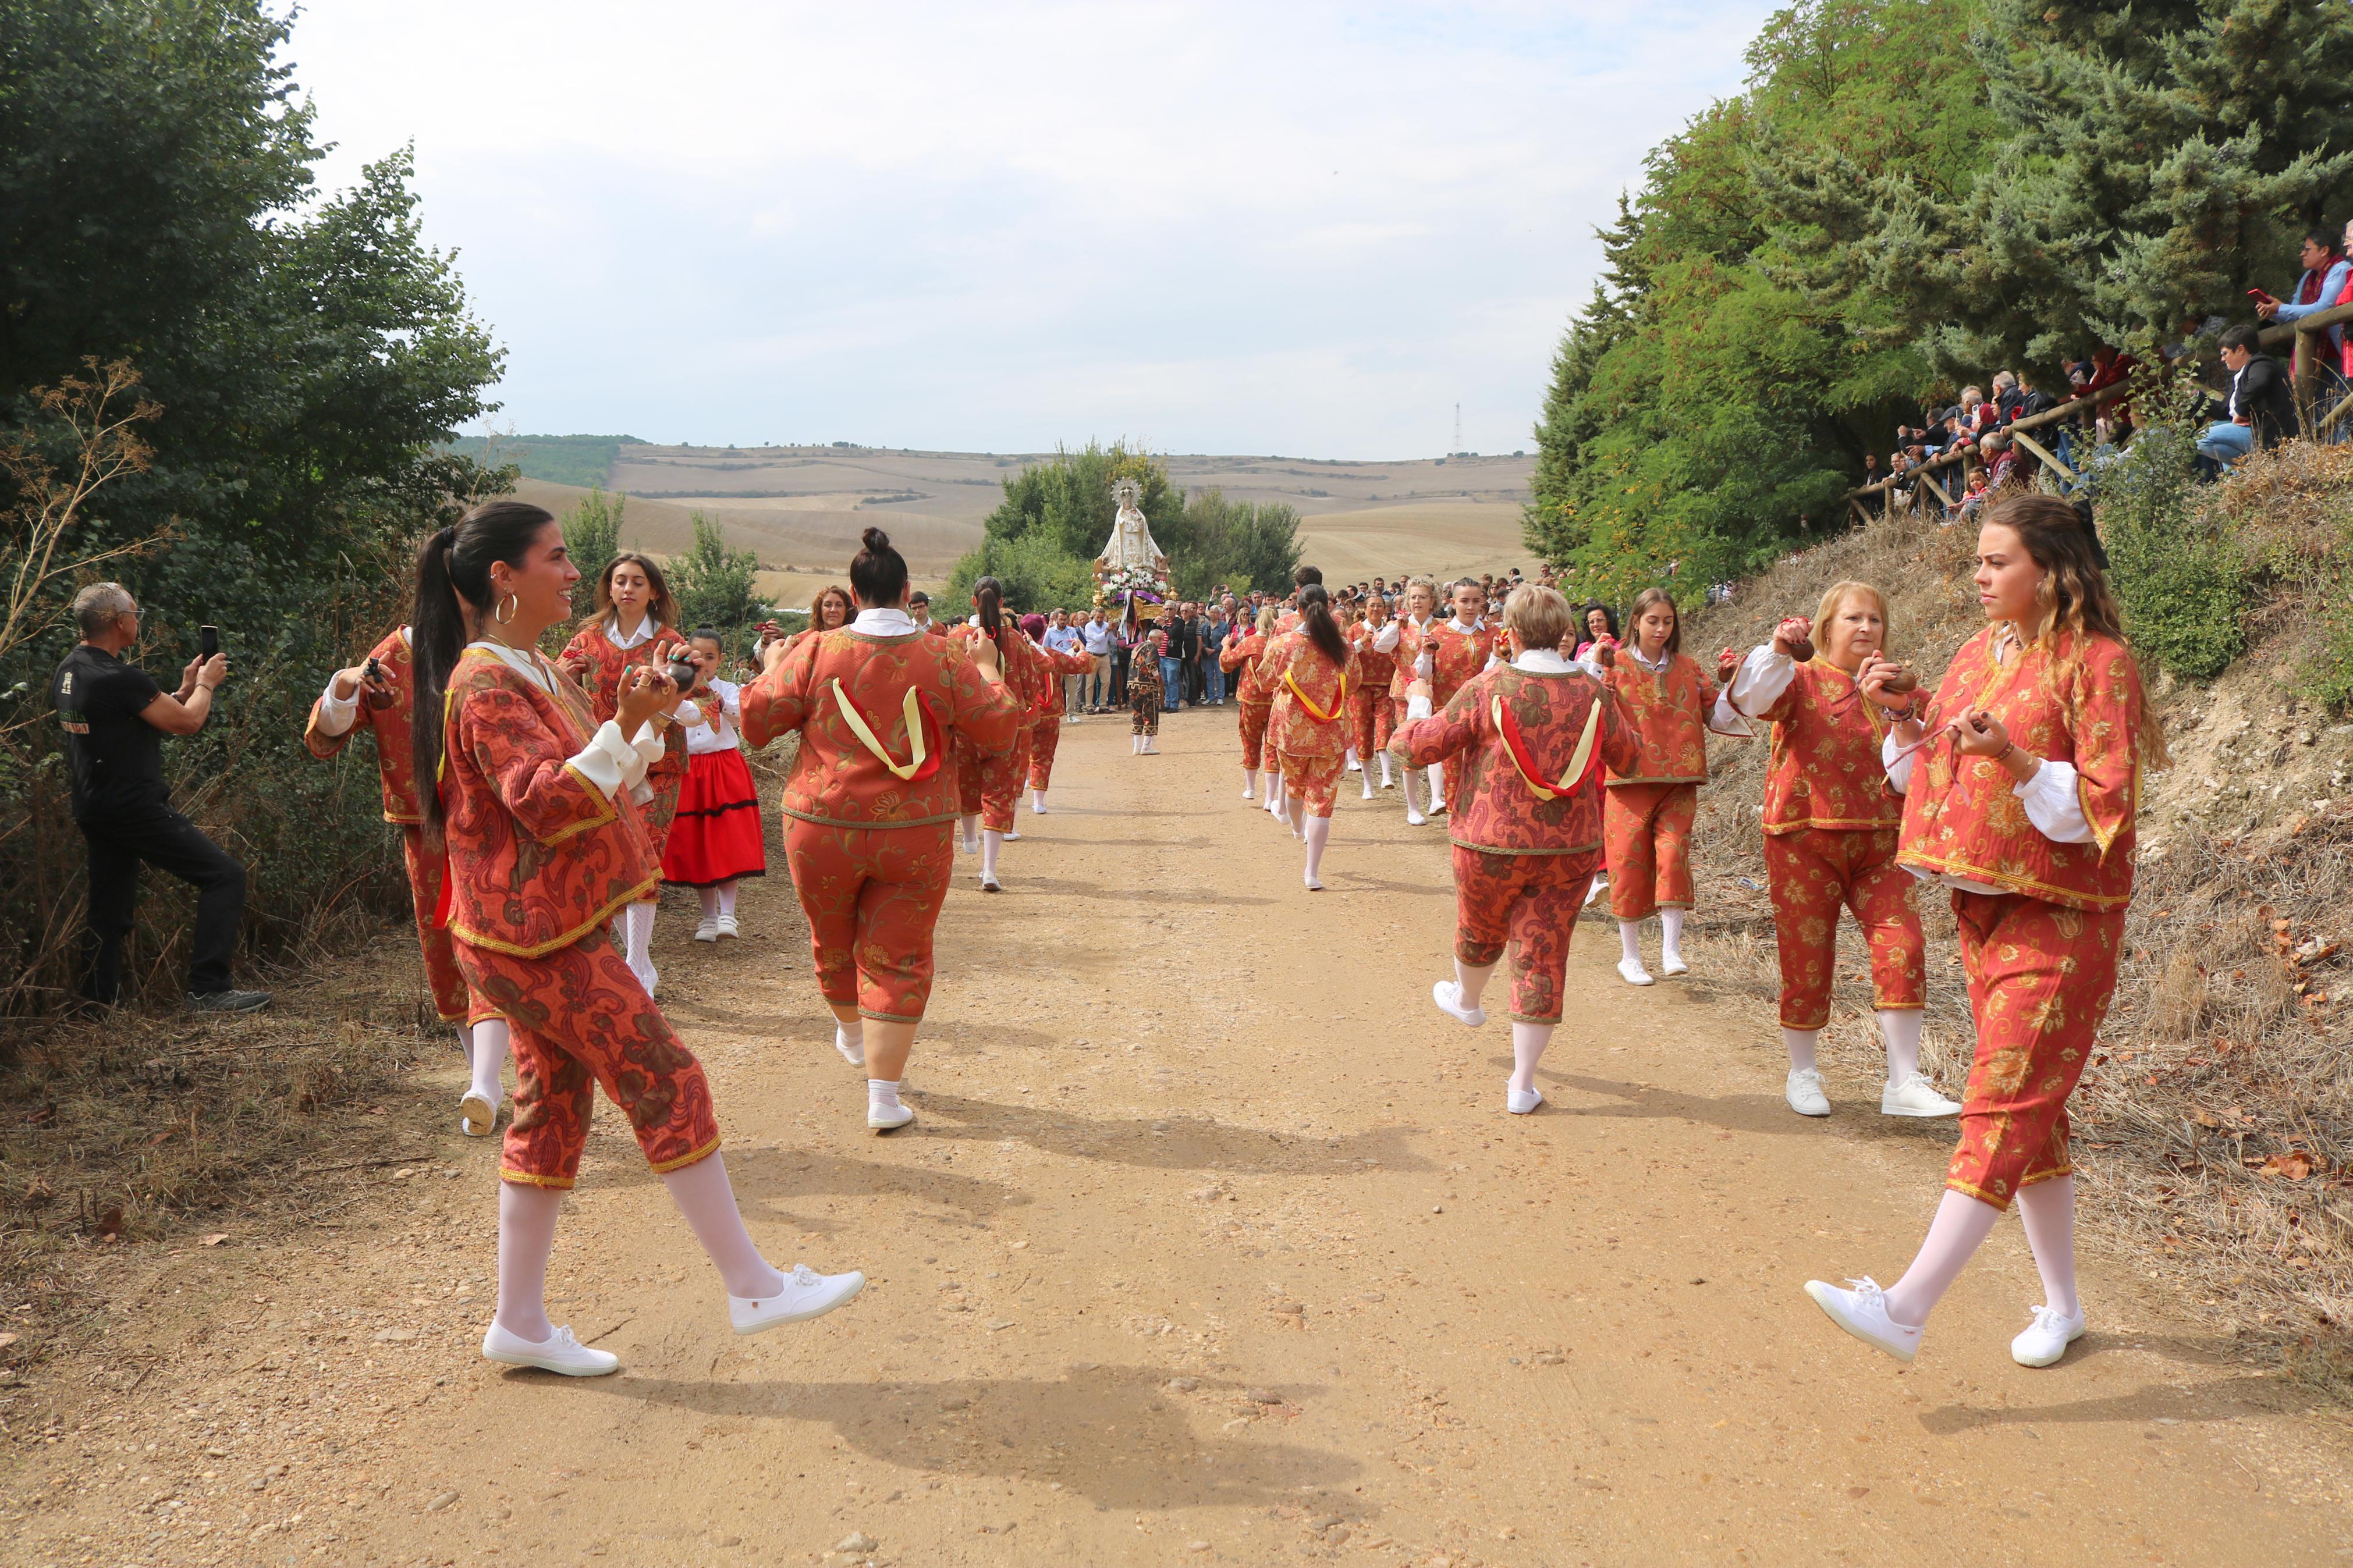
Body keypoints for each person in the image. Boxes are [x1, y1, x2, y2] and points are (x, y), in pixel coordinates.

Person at [411, 500, 864, 1377]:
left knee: (552, 1106)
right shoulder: (487, 683)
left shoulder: (529, 665)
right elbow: (542, 800)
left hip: (534, 925)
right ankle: (751, 1283)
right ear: (503, 577)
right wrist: (626, 727)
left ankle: (521, 1321)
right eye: (556, 557)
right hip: (534, 934)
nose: (575, 574)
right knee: (664, 1072)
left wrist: (640, 717)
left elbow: (596, 765)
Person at [1805, 495, 2163, 1372]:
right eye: (1976, 560)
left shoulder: (2098, 662)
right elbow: (1923, 768)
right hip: (1980, 909)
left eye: (1995, 561)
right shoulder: (1976, 654)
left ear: (2050, 569)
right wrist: (1901, 714)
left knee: (2000, 1103)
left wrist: (2010, 756)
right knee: (2033, 1118)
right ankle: (2065, 1306)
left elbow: (2100, 806)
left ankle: (1905, 1305)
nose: (1977, 575)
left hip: (2061, 916)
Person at [741, 527, 1022, 1130]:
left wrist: (772, 664)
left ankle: (849, 1030)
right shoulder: (946, 656)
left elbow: (756, 722)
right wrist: (989, 669)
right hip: (914, 832)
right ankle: (884, 1097)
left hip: (821, 823)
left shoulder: (816, 650)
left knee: (831, 937)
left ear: (852, 592)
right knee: (898, 956)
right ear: (906, 591)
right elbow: (997, 731)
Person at [1391, 586, 1636, 1113]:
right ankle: (1522, 1085)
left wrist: (1416, 701)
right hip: (1568, 847)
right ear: (1563, 630)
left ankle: (1468, 1000)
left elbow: (1417, 749)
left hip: (1489, 840)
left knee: (1479, 928)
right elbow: (1630, 757)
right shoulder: (1593, 694)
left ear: (1514, 632)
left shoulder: (1488, 686)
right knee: (1542, 956)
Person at [1724, 585, 1960, 1121]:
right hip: (1803, 836)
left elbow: (1920, 771)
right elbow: (1749, 700)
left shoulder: (1903, 691)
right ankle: (1802, 1071)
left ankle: (1903, 1080)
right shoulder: (1798, 680)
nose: (1866, 627)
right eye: (1853, 617)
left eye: (1875, 618)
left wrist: (1898, 709)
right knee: (1806, 956)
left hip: (1881, 841)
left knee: (1904, 944)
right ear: (1826, 627)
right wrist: (1780, 649)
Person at [308, 618, 506, 1132]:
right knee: (446, 948)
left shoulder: (495, 649)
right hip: (426, 829)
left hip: (498, 824)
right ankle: (482, 1079)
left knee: (497, 940)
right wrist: (343, 685)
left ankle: (495, 1077)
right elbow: (325, 736)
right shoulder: (389, 659)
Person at [52, 583, 269, 1012]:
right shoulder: (120, 676)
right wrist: (207, 685)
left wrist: (185, 687)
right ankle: (209, 988)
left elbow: (148, 716)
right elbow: (187, 724)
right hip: (134, 807)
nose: (139, 619)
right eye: (136, 612)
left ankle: (97, 1005)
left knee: (108, 913)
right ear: (118, 621)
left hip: (95, 805)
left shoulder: (71, 670)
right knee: (224, 875)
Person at [558, 552, 694, 995]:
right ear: (608, 588)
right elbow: (554, 691)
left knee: (645, 857)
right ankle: (642, 960)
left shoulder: (673, 643)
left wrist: (668, 703)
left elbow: (701, 705)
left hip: (658, 766)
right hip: (604, 762)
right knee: (611, 857)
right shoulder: (587, 639)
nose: (628, 589)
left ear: (654, 590)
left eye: (638, 581)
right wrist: (563, 677)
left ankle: (636, 966)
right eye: (620, 580)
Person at [1597, 587, 1744, 985]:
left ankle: (1670, 949)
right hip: (1628, 778)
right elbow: (1593, 709)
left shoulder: (1690, 667)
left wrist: (1731, 684)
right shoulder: (1614, 664)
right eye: (1652, 620)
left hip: (1680, 778)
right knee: (1627, 861)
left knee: (1673, 855)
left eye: (1667, 621)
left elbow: (1718, 715)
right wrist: (1597, 669)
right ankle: (1630, 956)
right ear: (1635, 622)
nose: (1661, 628)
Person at [1254, 584, 1362, 890]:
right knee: (1322, 800)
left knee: (1295, 789)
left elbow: (1264, 681)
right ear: (1328, 608)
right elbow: (1353, 684)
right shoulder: (1344, 646)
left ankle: (1298, 829)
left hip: (1292, 733)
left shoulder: (1283, 644)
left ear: (1298, 610)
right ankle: (1311, 872)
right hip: (1332, 734)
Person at [946, 578, 1051, 891]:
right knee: (999, 793)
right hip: (1007, 726)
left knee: (966, 782)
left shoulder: (955, 638)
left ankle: (967, 836)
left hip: (967, 726)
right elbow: (1032, 686)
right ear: (1002, 601)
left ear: (972, 601)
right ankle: (989, 870)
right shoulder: (1016, 640)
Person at [663, 629, 765, 942]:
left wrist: (719, 702)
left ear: (720, 660)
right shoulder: (676, 691)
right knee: (698, 843)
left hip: (723, 767)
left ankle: (728, 914)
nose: (704, 664)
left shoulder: (729, 689)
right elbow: (677, 717)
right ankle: (707, 916)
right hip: (691, 770)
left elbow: (741, 717)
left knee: (726, 839)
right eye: (698, 657)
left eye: (710, 657)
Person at [1415, 579, 1497, 813]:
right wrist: (1428, 654)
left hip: (1487, 712)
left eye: (1475, 601)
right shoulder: (1438, 634)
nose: (1470, 607)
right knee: (1452, 770)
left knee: (1486, 768)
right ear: (1453, 603)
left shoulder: (1493, 633)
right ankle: (1454, 821)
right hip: (1449, 711)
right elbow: (1422, 673)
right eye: (1464, 601)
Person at [2197, 325, 2298, 472]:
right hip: (2254, 431)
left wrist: (2241, 412)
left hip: (2270, 436)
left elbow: (2258, 383)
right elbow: (2223, 412)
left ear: (2240, 350)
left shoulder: (2261, 363)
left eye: (2225, 353)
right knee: (2214, 426)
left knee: (2203, 439)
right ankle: (2241, 479)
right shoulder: (2243, 373)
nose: (2222, 359)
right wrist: (2197, 396)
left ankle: (2259, 469)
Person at [1383, 578, 1442, 826]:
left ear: (1433, 601)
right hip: (1405, 691)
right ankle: (1412, 807)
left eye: (1423, 597)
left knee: (1436, 744)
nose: (1418, 601)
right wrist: (1395, 627)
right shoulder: (1400, 626)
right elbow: (1381, 647)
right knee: (1411, 746)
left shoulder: (1441, 627)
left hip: (1434, 691)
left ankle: (1436, 799)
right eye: (1414, 597)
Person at [1024, 613, 1095, 812]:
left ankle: (1023, 786)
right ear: (1044, 631)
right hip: (1048, 713)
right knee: (1043, 757)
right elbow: (1084, 665)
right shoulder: (1051, 655)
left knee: (1019, 754)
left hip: (1021, 713)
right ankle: (1038, 802)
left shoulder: (1014, 655)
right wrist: (1081, 649)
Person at [1222, 606, 1279, 803]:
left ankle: (1251, 788)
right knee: (1273, 747)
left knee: (1251, 743)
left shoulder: (1250, 643)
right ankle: (1271, 797)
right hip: (1276, 702)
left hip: (1252, 701)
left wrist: (1226, 645)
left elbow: (1227, 663)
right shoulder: (1281, 643)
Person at [1348, 592, 1399, 798]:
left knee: (1385, 729)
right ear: (1365, 609)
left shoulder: (1392, 629)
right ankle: (1368, 784)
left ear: (1385, 609)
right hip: (1360, 688)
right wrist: (1361, 642)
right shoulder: (1355, 629)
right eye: (1372, 606)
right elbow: (1345, 652)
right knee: (1362, 733)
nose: (1376, 609)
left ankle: (1386, 776)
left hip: (1385, 686)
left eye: (1380, 606)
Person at [1043, 609, 1085, 719]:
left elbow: (1077, 645)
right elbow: (1045, 648)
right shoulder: (1050, 632)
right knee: (1055, 690)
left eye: (1065, 620)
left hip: (1069, 663)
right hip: (1056, 664)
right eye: (1061, 619)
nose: (1063, 622)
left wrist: (1075, 646)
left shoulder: (1071, 631)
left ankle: (1071, 714)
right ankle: (1055, 714)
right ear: (1056, 619)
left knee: (1071, 689)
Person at [1128, 627, 1166, 753]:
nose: (1161, 642)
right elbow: (1151, 664)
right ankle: (1146, 746)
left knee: (1137, 714)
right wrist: (1157, 676)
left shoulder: (1137, 647)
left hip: (1133, 685)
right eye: (1160, 639)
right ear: (1152, 638)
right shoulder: (1152, 648)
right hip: (1147, 685)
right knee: (1150, 714)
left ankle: (1136, 747)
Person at [1081, 607, 1116, 713]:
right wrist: (1108, 630)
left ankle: (1102, 705)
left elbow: (1113, 642)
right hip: (1092, 656)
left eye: (1102, 617)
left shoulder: (1106, 626)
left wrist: (1114, 632)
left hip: (1104, 655)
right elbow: (1097, 639)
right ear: (1094, 616)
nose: (1100, 620)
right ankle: (1089, 706)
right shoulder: (1089, 626)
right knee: (1090, 683)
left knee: (1106, 682)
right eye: (1098, 617)